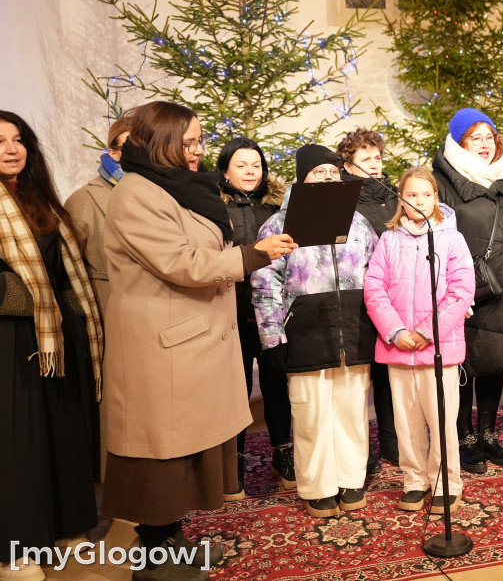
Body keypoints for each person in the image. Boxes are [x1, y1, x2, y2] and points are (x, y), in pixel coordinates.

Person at [102, 100, 295, 581]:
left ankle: (174, 543)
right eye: (188, 142)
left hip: (188, 341)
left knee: (180, 455)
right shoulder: (136, 193)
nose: (197, 151)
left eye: (199, 141)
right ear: (161, 143)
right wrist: (252, 256)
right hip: (160, 347)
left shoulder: (178, 187)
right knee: (158, 459)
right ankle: (156, 556)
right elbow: (181, 263)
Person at [1, 111, 104, 580]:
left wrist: (69, 311)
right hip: (9, 341)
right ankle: (16, 550)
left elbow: (64, 267)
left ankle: (67, 525)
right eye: (0, 141)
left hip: (58, 336)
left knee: (64, 432)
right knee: (19, 445)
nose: (11, 149)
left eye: (19, 140)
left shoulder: (40, 197)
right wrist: (21, 297)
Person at [251, 144, 378, 517]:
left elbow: (376, 275)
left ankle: (351, 480)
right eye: (318, 171)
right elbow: (264, 285)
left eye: (333, 172)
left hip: (352, 328)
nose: (327, 177)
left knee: (353, 409)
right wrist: (272, 338)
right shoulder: (277, 225)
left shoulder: (358, 223)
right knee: (311, 413)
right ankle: (318, 486)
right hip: (303, 330)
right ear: (302, 178)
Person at [432, 108, 503, 473]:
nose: (484, 144)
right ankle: (463, 437)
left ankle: (488, 434)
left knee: (496, 362)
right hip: (466, 293)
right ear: (460, 141)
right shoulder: (442, 181)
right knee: (465, 365)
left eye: (489, 137)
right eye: (474, 137)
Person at [363, 166, 475, 513]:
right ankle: (414, 479)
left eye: (426, 194)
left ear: (436, 199)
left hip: (437, 347)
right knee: (406, 421)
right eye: (411, 195)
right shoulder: (388, 239)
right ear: (401, 201)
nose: (419, 201)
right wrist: (396, 331)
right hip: (399, 348)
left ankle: (446, 481)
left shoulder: (451, 239)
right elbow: (374, 288)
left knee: (441, 419)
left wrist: (427, 332)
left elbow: (461, 292)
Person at [215, 137, 293, 494]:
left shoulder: (277, 207)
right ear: (226, 170)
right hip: (230, 313)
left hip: (271, 314)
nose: (250, 171)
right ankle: (233, 462)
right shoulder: (213, 207)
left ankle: (283, 454)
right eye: (241, 165)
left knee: (277, 384)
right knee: (234, 390)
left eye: (256, 165)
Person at [64, 117, 131, 485]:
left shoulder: (159, 192)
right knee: (115, 400)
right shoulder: (84, 200)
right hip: (106, 302)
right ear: (112, 152)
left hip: (150, 304)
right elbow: (68, 267)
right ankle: (115, 480)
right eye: (127, 147)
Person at [337, 128, 401, 470]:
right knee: (361, 380)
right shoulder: (343, 199)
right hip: (359, 300)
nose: (375, 165)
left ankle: (392, 443)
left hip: (395, 299)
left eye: (377, 157)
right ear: (348, 166)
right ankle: (363, 451)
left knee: (390, 378)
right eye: (366, 159)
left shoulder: (395, 195)